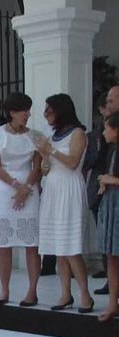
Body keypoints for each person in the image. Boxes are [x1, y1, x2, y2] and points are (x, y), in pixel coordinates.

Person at [36, 94, 94, 312]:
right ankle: (65, 294)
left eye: (49, 110)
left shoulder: (78, 133)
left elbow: (72, 162)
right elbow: (45, 170)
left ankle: (85, 295)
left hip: (69, 189)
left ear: (60, 111)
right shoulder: (52, 136)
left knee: (70, 247)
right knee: (57, 247)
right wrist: (44, 156)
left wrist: (51, 150)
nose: (45, 114)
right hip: (52, 189)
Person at [0, 92, 43, 306]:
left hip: (29, 189)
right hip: (4, 190)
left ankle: (32, 290)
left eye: (28, 111)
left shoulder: (35, 136)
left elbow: (37, 166)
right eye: (23, 111)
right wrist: (16, 186)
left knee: (31, 243)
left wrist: (26, 188)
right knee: (4, 243)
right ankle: (4, 289)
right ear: (12, 112)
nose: (27, 115)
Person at [88, 90, 116, 294]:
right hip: (105, 196)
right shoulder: (101, 135)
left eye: (111, 102)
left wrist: (111, 179)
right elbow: (96, 161)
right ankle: (112, 285)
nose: (107, 107)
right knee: (109, 245)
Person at [96, 112, 119, 321]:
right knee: (111, 255)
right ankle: (113, 303)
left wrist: (111, 180)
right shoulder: (111, 150)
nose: (104, 133)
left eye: (107, 128)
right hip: (111, 204)